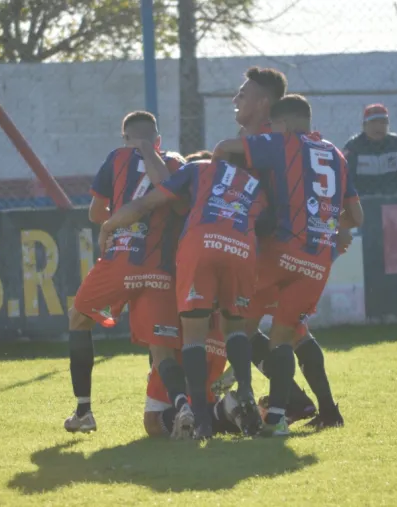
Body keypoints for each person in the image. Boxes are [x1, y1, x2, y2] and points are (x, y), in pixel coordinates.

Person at [214, 94, 364, 436]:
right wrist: (324, 222)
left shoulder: (283, 143)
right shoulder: (336, 155)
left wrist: (219, 188)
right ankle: (277, 418)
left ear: (282, 124)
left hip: (278, 251)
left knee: (237, 327)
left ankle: (237, 390)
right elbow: (356, 216)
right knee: (283, 338)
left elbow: (223, 148)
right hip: (317, 260)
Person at [99, 155, 268, 439]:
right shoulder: (254, 185)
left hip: (181, 288)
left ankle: (201, 417)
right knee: (241, 328)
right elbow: (268, 225)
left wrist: (108, 226)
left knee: (155, 420)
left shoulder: (195, 176)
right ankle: (245, 398)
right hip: (240, 254)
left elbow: (145, 204)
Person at [64, 111, 188, 433]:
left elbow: (96, 213)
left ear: (125, 139)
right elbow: (179, 206)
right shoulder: (176, 164)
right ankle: (182, 407)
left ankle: (83, 412)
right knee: (161, 346)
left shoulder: (117, 158)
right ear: (158, 140)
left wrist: (119, 215)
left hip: (120, 260)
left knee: (79, 317)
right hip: (160, 268)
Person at [143, 314, 242, 438]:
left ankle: (221, 410)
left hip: (186, 325)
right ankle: (228, 412)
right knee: (207, 403)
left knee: (153, 422)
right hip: (218, 326)